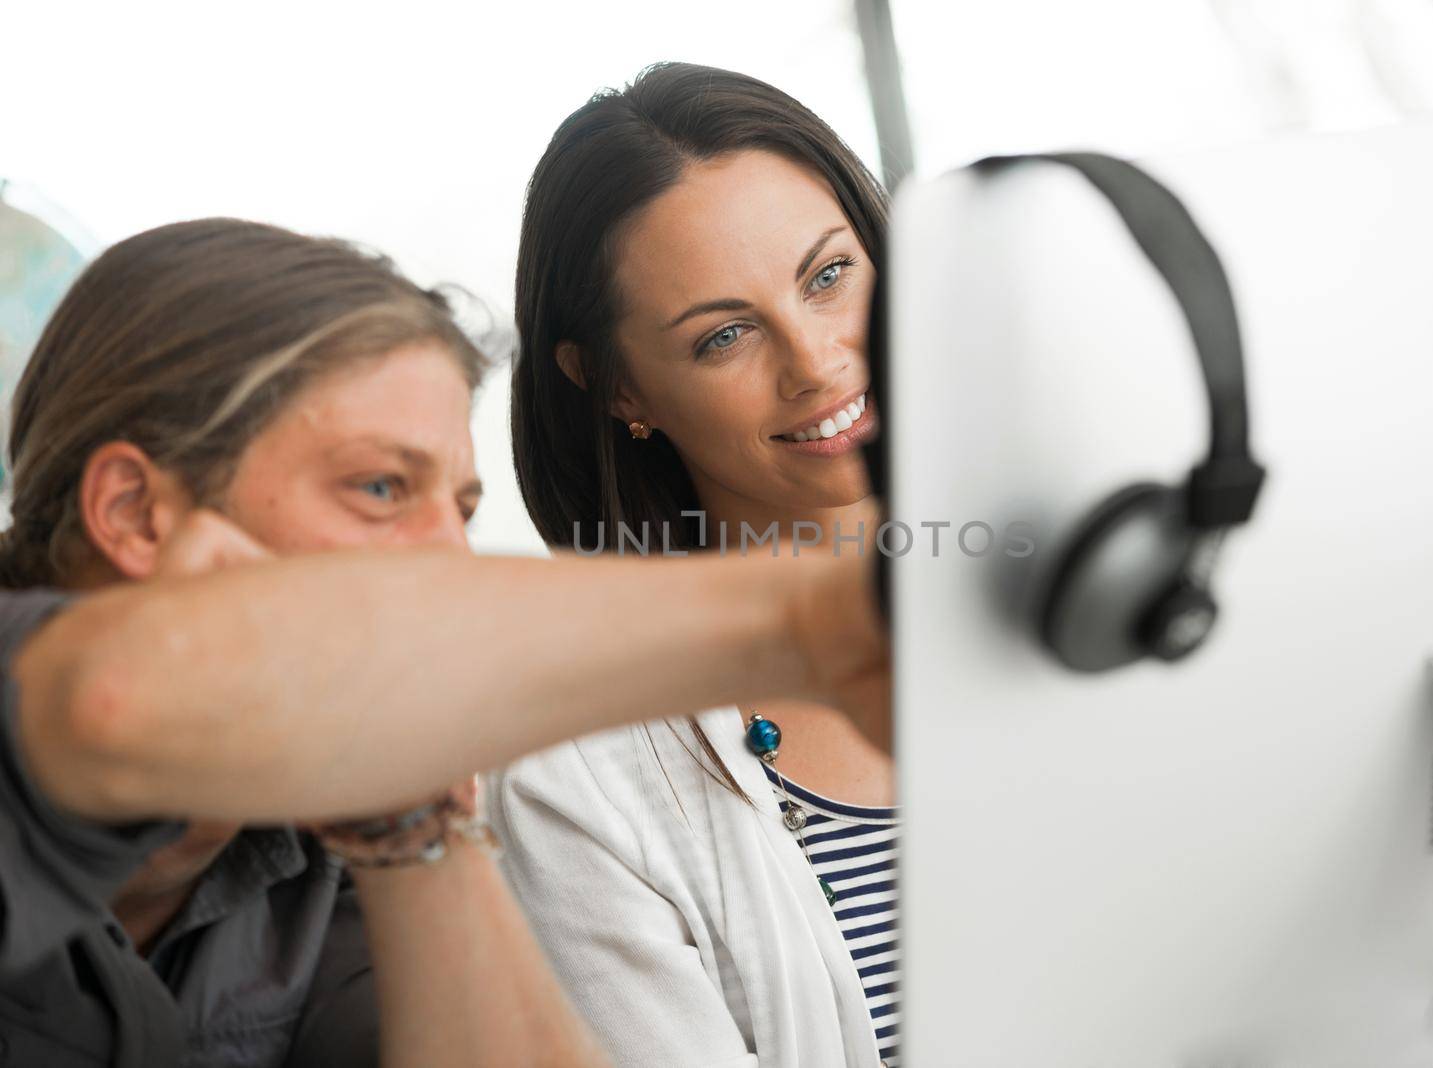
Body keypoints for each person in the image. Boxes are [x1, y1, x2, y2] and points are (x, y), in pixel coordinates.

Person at [0, 217, 886, 1068]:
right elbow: (109, 697)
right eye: (381, 488)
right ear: (134, 513)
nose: (449, 560)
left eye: (459, 510)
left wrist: (407, 813)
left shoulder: (314, 846)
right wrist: (813, 619)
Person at [490, 63, 897, 1068]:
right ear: (618, 385)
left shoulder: (1124, 585)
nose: (815, 362)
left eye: (829, 276)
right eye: (723, 335)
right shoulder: (573, 770)